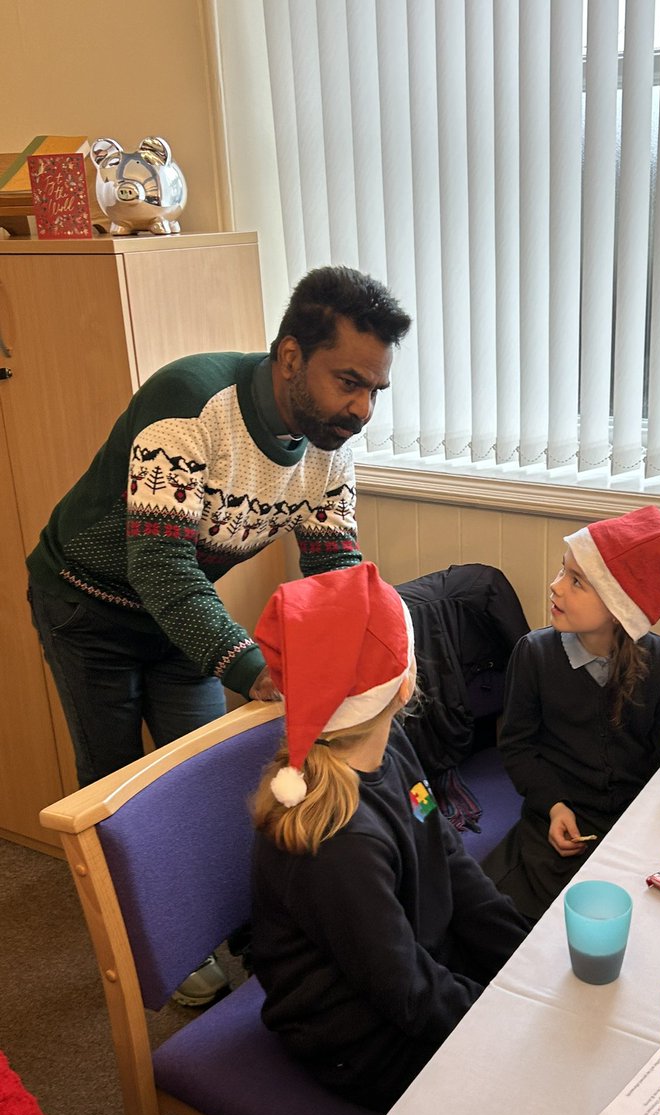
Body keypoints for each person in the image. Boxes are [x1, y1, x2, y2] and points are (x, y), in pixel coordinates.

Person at [26, 264, 411, 791]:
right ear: (291, 357)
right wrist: (251, 667)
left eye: (375, 390)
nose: (362, 410)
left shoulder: (330, 445)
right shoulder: (190, 402)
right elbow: (160, 565)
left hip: (180, 612)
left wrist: (365, 650)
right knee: (113, 789)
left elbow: (334, 571)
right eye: (349, 383)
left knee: (210, 777)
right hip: (88, 608)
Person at [251, 562, 531, 1111]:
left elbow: (446, 854)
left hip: (413, 966)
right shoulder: (337, 838)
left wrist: (524, 956)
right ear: (404, 685)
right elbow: (406, 992)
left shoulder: (391, 745)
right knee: (533, 1086)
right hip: (358, 1036)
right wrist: (507, 1020)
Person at [482, 505, 660, 922]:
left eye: (576, 581)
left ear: (618, 606)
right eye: (562, 571)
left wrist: (644, 826)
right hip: (555, 819)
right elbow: (518, 747)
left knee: (651, 916)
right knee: (512, 919)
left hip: (635, 824)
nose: (555, 586)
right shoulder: (534, 654)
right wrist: (553, 806)